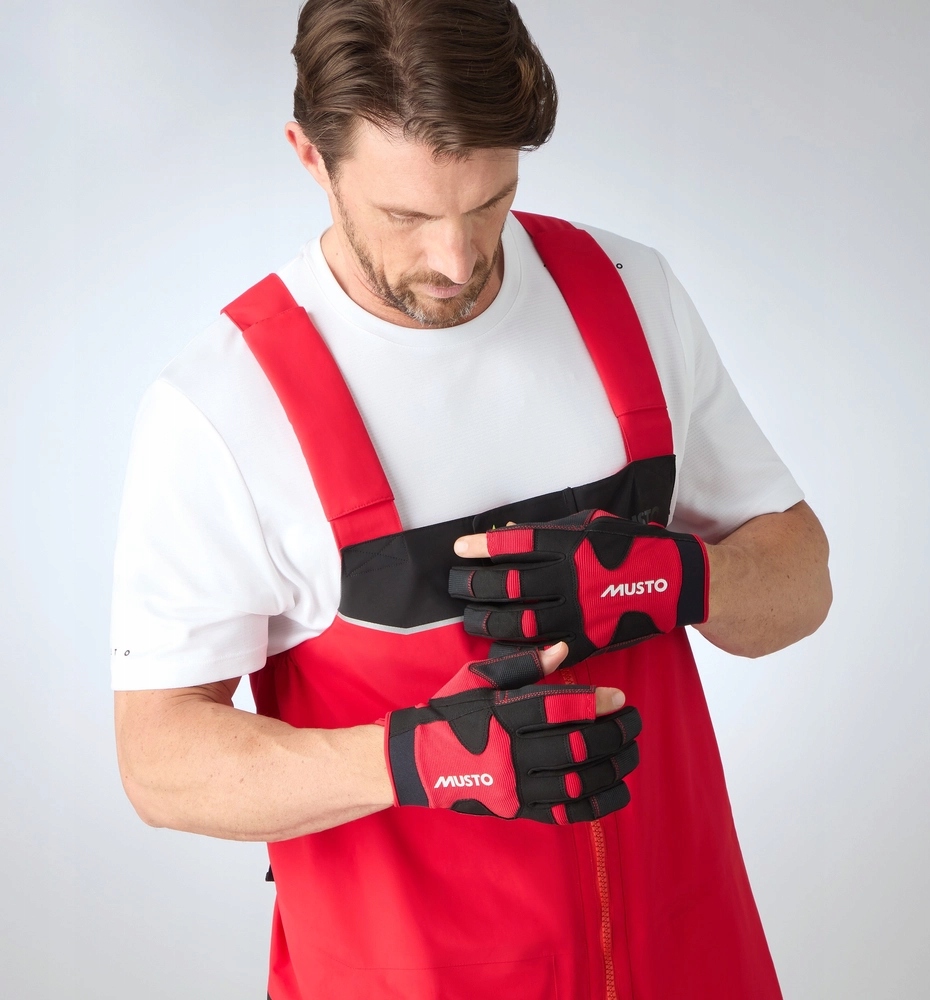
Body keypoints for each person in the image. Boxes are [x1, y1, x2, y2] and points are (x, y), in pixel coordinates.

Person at [111, 1, 832, 997]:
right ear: (311, 158)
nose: (457, 261)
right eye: (406, 217)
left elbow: (801, 585)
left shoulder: (629, 292)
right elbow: (158, 762)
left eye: (490, 200)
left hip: (686, 954)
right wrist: (408, 762)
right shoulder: (221, 406)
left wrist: (680, 577)